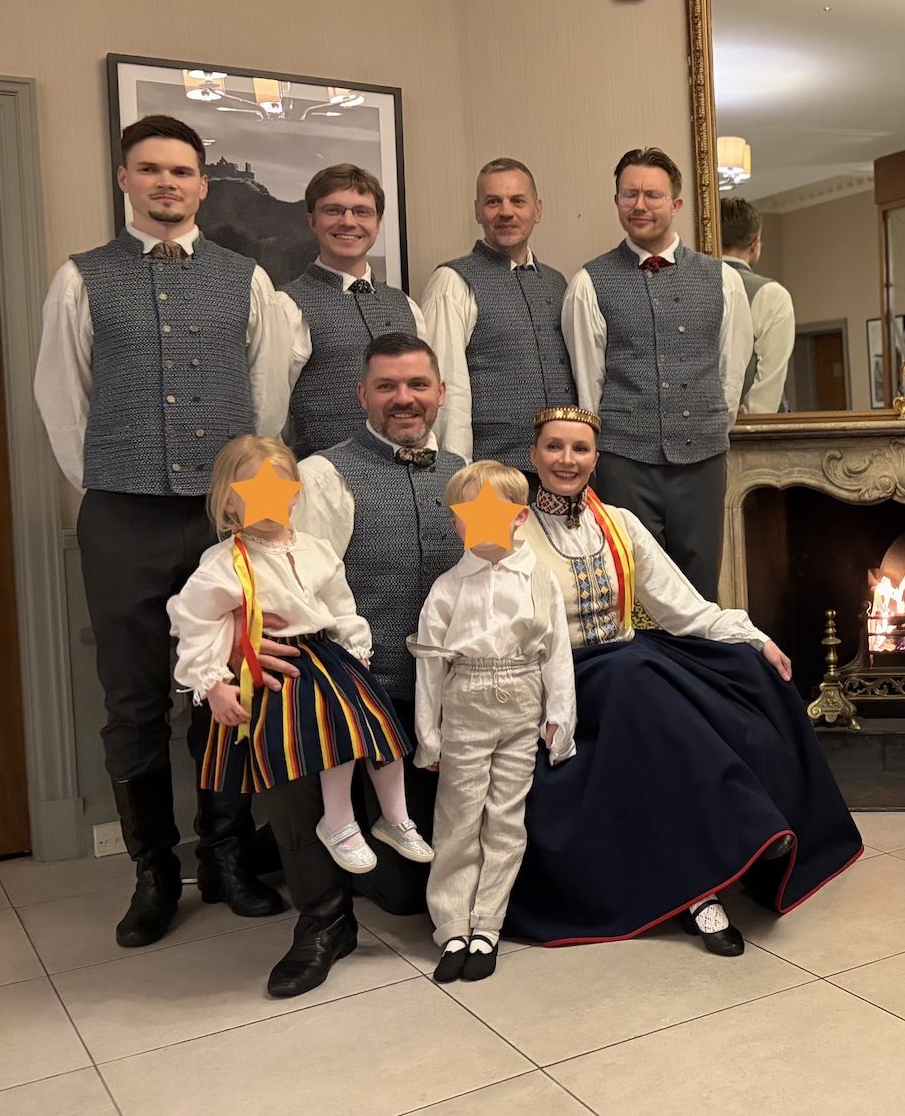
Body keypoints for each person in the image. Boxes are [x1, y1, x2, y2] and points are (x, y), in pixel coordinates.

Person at [33, 112, 287, 948]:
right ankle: (153, 872)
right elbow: (62, 400)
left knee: (230, 684)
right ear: (125, 179)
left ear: (203, 185)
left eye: (181, 171)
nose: (166, 183)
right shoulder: (82, 278)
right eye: (150, 169)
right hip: (122, 513)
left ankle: (226, 857)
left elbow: (267, 398)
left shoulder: (247, 279)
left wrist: (241, 493)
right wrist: (114, 476)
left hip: (223, 517)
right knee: (135, 698)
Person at [504, 406, 861, 956]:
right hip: (562, 676)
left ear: (596, 460)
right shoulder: (512, 530)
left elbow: (684, 608)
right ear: (534, 456)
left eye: (580, 449)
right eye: (554, 447)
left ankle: (752, 840)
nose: (566, 460)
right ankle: (717, 870)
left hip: (629, 666)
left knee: (743, 668)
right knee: (633, 676)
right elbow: (496, 621)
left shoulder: (619, 524)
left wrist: (755, 638)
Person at [255, 332, 465, 998]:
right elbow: (293, 582)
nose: (404, 398)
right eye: (386, 386)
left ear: (440, 393)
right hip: (348, 693)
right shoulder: (324, 475)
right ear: (362, 395)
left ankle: (375, 852)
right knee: (288, 730)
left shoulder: (464, 473)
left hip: (431, 701)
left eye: (417, 385)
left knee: (404, 897)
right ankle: (324, 919)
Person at [167, 435, 431, 876]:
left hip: (325, 652)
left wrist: (355, 647)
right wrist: (213, 683)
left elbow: (340, 603)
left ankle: (396, 816)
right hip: (278, 665)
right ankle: (339, 822)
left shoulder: (314, 549)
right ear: (230, 502)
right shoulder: (225, 562)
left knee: (381, 727)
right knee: (334, 736)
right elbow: (195, 621)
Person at [563, 147, 755, 600]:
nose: (640, 205)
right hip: (624, 463)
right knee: (632, 589)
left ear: (676, 204)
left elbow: (731, 373)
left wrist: (706, 427)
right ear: (617, 201)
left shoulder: (722, 280)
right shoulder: (589, 283)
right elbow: (588, 386)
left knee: (699, 590)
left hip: (703, 463)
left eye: (652, 194)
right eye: (629, 194)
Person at [411, 460, 576, 984]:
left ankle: (488, 924)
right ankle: (452, 924)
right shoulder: (447, 587)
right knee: (459, 816)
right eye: (466, 514)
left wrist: (559, 715)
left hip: (521, 697)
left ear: (519, 517)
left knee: (505, 817)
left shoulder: (539, 580)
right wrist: (428, 735)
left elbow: (556, 652)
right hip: (466, 700)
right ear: (455, 522)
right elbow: (430, 664)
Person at [420, 157, 576, 472]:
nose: (506, 212)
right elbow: (446, 390)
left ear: (537, 210)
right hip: (490, 474)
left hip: (560, 471)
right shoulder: (452, 282)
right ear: (478, 211)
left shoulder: (558, 282)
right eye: (493, 202)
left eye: (518, 201)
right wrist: (457, 474)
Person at [277, 164, 429, 457]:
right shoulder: (288, 306)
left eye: (362, 212)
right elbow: (272, 415)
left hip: (404, 475)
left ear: (377, 223)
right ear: (312, 220)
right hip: (322, 475)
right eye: (333, 210)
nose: (348, 222)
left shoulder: (406, 306)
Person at [720, 196, 796, 413]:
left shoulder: (691, 284)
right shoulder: (771, 296)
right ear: (755, 244)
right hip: (747, 426)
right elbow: (768, 389)